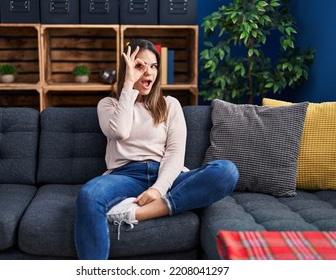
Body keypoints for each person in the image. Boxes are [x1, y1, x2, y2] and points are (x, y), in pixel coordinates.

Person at [74, 39, 239, 260]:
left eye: (153, 66)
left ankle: (134, 212)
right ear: (128, 69)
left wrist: (158, 190)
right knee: (89, 195)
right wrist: (127, 88)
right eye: (140, 66)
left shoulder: (170, 104)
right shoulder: (109, 104)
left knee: (226, 171)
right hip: (126, 175)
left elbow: (174, 153)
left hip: (168, 175)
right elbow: (119, 132)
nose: (148, 72)